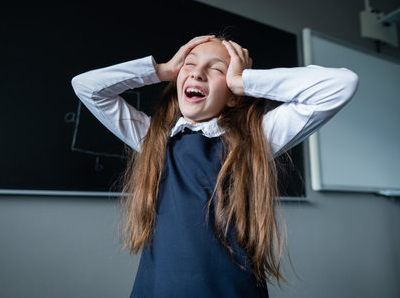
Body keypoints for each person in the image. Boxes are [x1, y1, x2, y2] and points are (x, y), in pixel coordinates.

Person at [71, 35, 359, 297]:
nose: (197, 72)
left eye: (217, 69)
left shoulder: (256, 140)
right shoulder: (153, 139)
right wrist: (162, 70)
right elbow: (87, 87)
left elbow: (341, 86)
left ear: (234, 94)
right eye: (189, 64)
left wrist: (243, 81)